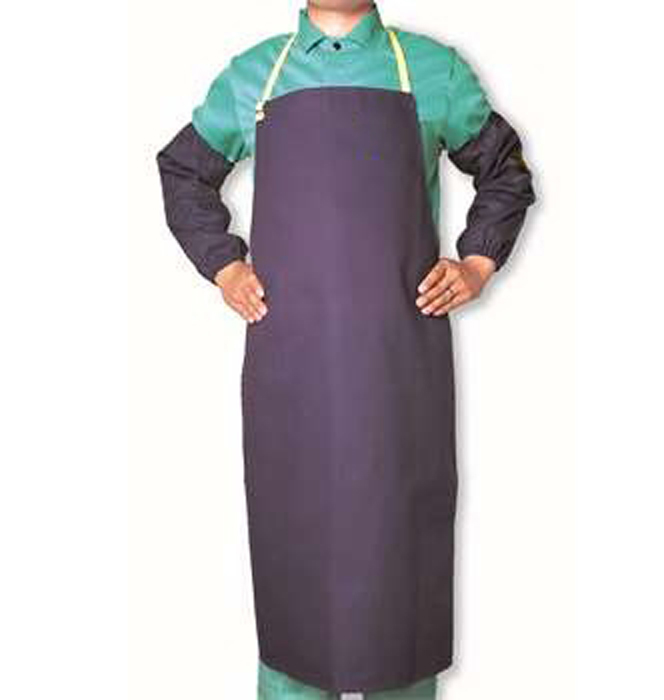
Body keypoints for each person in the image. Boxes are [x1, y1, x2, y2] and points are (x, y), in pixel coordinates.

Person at [156, 1, 536, 697]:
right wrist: (226, 266)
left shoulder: (433, 70)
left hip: (398, 372)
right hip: (292, 373)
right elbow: (184, 170)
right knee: (297, 577)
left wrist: (477, 264)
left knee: (398, 592)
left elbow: (505, 171)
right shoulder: (253, 77)